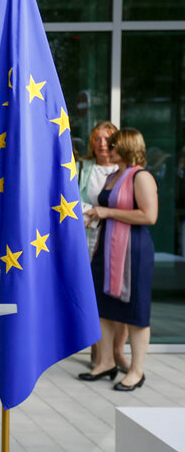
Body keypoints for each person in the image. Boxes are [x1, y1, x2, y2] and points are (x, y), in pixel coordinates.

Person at [79, 128, 158, 391]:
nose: (106, 147)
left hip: (132, 251)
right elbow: (106, 208)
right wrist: (95, 214)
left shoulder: (141, 176)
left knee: (135, 313)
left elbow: (149, 216)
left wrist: (107, 212)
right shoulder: (115, 174)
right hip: (106, 247)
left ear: (124, 147)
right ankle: (105, 363)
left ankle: (136, 371)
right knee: (102, 308)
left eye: (112, 144)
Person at [78, 121, 128, 372]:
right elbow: (72, 201)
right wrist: (92, 213)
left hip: (116, 239)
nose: (101, 143)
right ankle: (98, 353)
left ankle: (118, 351)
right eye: (96, 138)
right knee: (93, 297)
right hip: (87, 239)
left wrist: (103, 213)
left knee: (118, 295)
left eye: (106, 138)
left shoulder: (125, 171)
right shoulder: (84, 168)